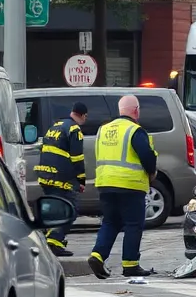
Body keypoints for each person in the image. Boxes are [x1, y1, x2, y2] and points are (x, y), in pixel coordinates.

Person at [88, 94, 158, 279]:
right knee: (133, 224)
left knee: (111, 222)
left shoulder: (102, 130)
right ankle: (130, 265)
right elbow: (147, 156)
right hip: (130, 184)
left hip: (105, 183)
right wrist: (152, 172)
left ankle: (97, 255)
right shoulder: (135, 130)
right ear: (136, 111)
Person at [33, 102, 88, 257]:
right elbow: (77, 158)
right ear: (83, 115)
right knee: (69, 208)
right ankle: (54, 242)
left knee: (53, 208)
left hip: (46, 174)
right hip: (60, 177)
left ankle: (48, 239)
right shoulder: (74, 129)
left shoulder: (56, 126)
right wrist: (81, 180)